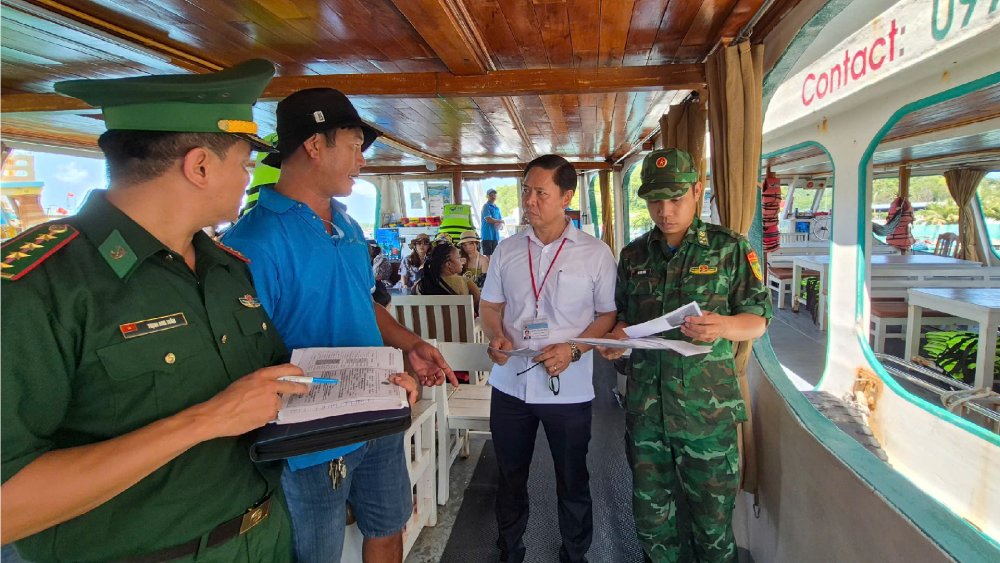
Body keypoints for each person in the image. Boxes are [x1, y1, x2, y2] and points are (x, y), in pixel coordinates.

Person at [0, 60, 312, 562]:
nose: (247, 177)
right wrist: (204, 420)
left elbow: (269, 388)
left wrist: (371, 391)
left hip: (264, 538)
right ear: (200, 166)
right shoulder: (38, 287)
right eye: (243, 163)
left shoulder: (226, 269)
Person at [221, 87, 455, 563]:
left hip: (379, 412)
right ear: (313, 145)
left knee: (389, 528)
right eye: (353, 147)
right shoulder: (254, 241)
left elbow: (362, 303)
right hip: (309, 439)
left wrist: (412, 344)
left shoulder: (347, 226)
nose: (360, 162)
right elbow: (242, 356)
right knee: (315, 554)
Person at [599, 149, 772, 563]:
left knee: (712, 527)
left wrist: (725, 327)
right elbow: (623, 316)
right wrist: (615, 338)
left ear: (697, 191)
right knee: (652, 523)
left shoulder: (729, 249)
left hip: (705, 417)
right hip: (646, 414)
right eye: (655, 200)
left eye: (676, 199)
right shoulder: (633, 255)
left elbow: (759, 319)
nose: (665, 210)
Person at [481, 155, 618, 563]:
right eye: (526, 191)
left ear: (566, 198)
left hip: (569, 385)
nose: (529, 200)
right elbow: (491, 306)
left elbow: (607, 314)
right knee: (509, 477)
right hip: (511, 382)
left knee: (572, 478)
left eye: (540, 192)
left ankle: (575, 554)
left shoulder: (595, 253)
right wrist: (497, 336)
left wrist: (574, 348)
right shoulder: (506, 251)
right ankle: (509, 550)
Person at [416, 239, 481, 311]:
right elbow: (479, 305)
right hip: (459, 321)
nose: (462, 261)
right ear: (448, 264)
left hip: (430, 321)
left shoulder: (422, 284)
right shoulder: (465, 282)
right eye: (458, 258)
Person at [481, 188, 503, 255]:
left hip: (495, 236)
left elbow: (500, 221)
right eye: (491, 194)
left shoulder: (497, 208)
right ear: (487, 196)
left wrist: (501, 224)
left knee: (495, 255)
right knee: (488, 256)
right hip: (487, 235)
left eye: (494, 194)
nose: (493, 196)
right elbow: (488, 219)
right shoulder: (486, 206)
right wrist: (500, 221)